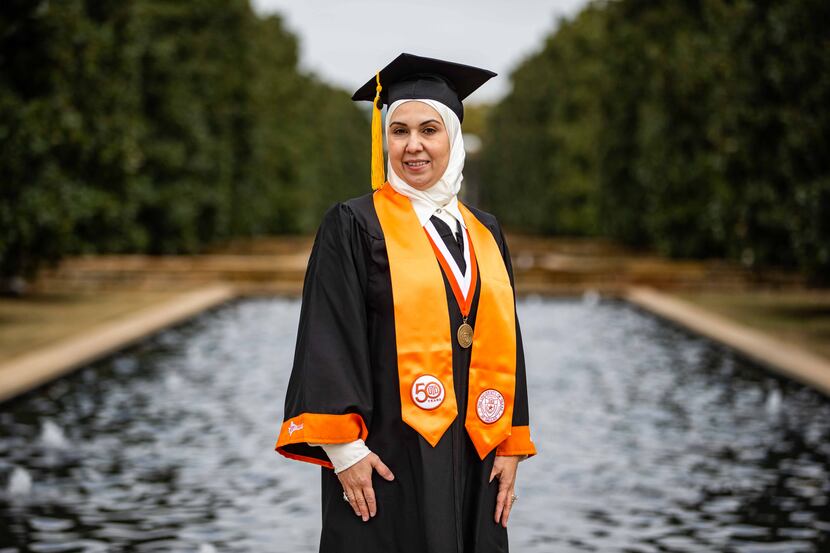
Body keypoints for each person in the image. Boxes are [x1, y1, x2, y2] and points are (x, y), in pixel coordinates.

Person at [274, 53, 536, 553]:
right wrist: (345, 450)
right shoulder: (353, 225)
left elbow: (506, 341)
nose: (413, 145)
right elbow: (327, 335)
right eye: (399, 131)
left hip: (476, 453)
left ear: (452, 138)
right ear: (384, 139)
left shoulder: (485, 230)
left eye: (429, 130)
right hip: (385, 456)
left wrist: (510, 443)